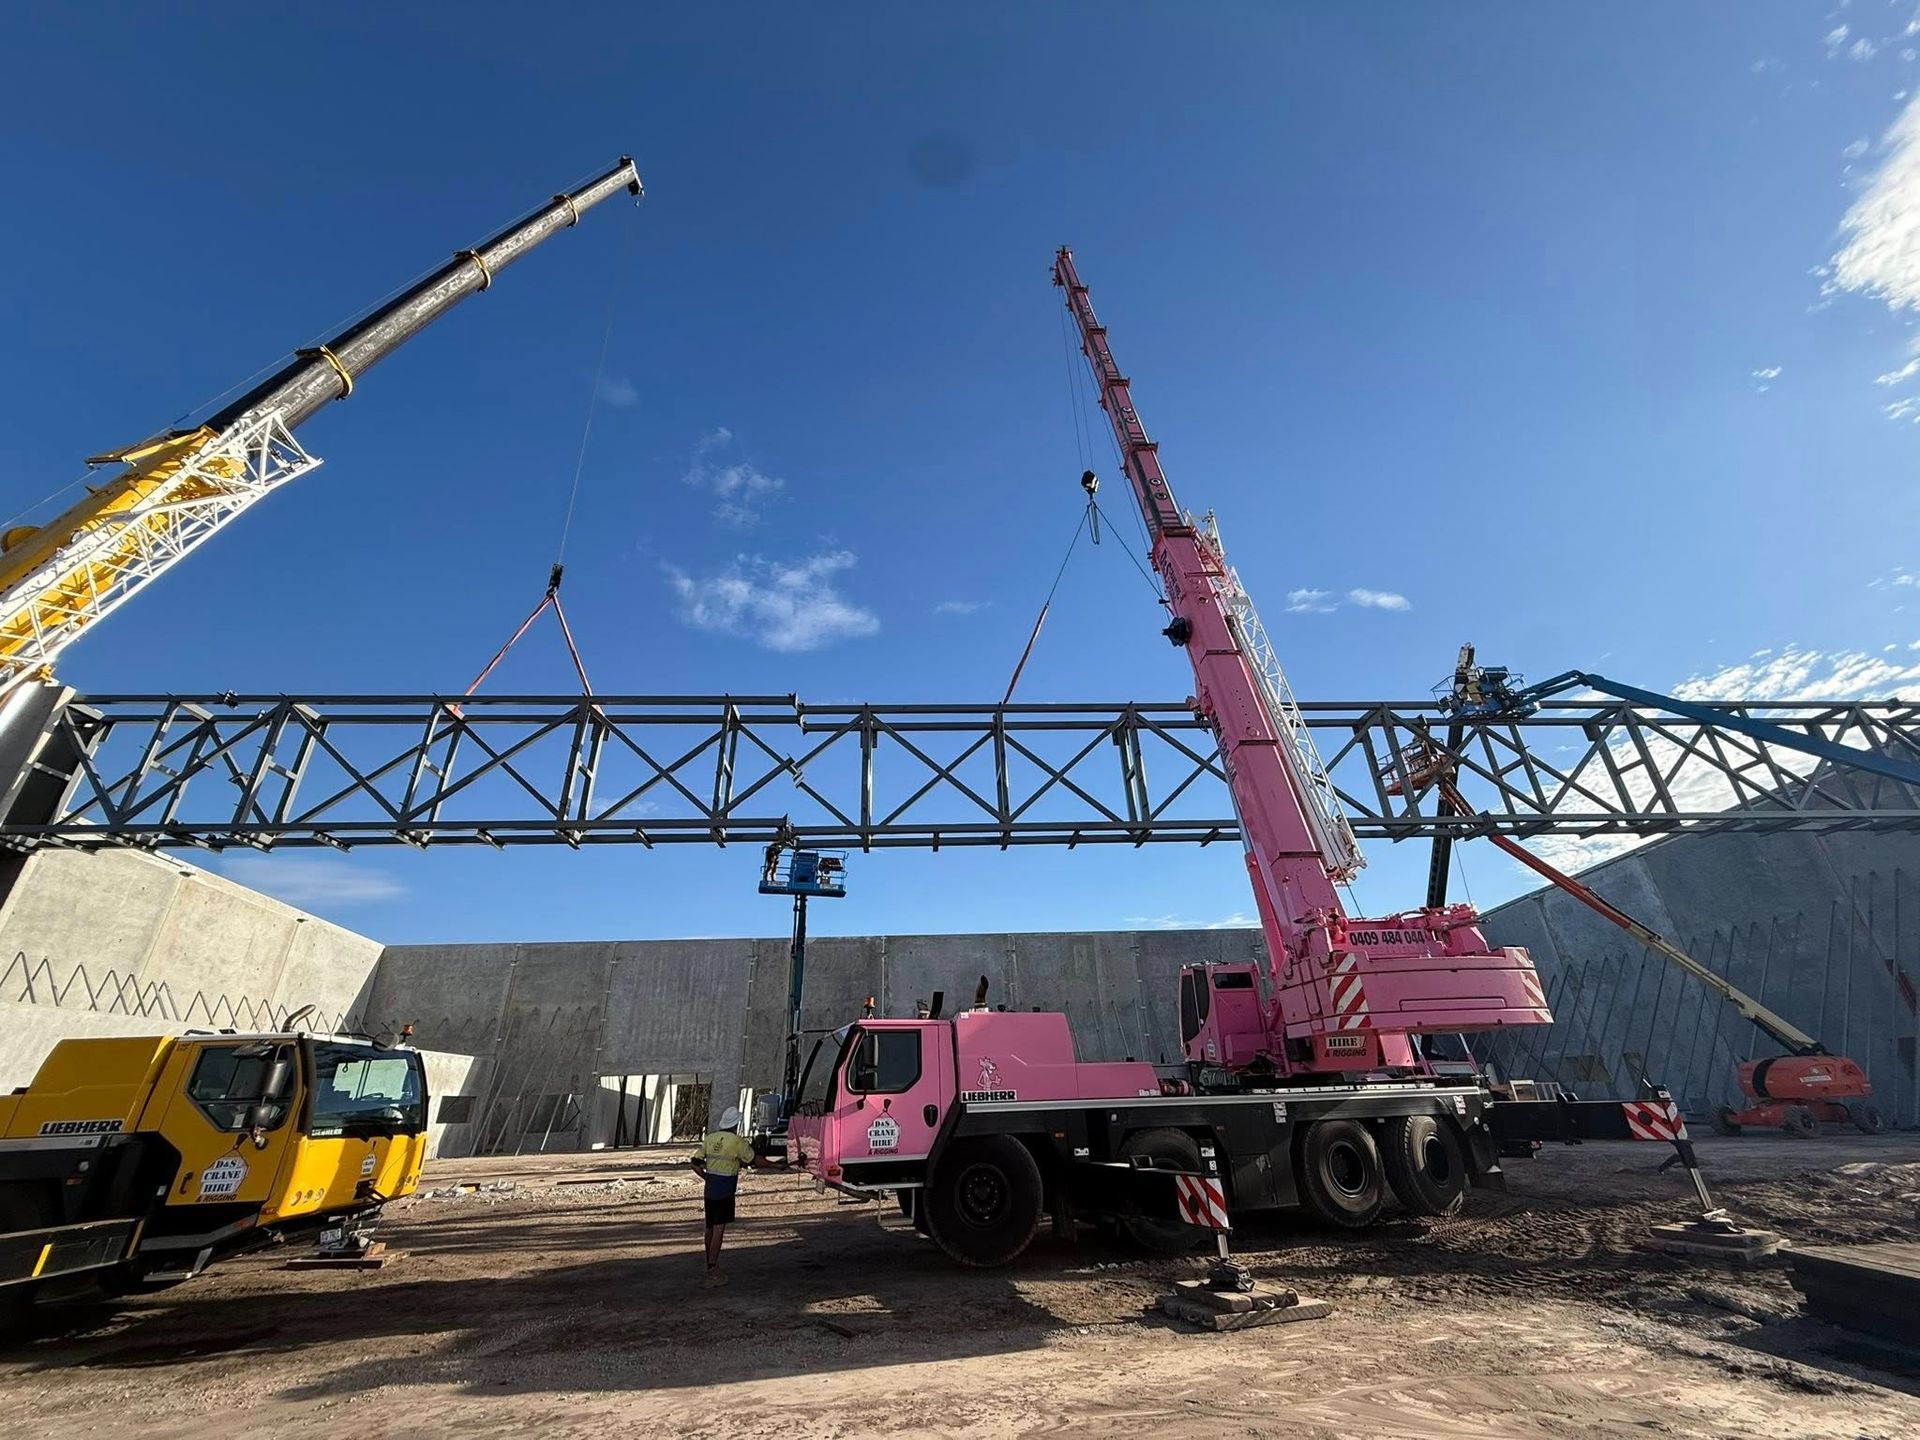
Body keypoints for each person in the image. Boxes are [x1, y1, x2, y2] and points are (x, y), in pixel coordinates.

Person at [691, 1105, 778, 1285]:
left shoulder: (710, 1139)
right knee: (719, 1230)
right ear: (736, 1124)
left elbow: (695, 1163)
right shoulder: (737, 1142)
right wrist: (775, 1165)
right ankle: (712, 1268)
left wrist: (706, 1177)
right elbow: (755, 1160)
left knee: (709, 1228)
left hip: (710, 1190)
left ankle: (709, 1262)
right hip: (725, 1191)